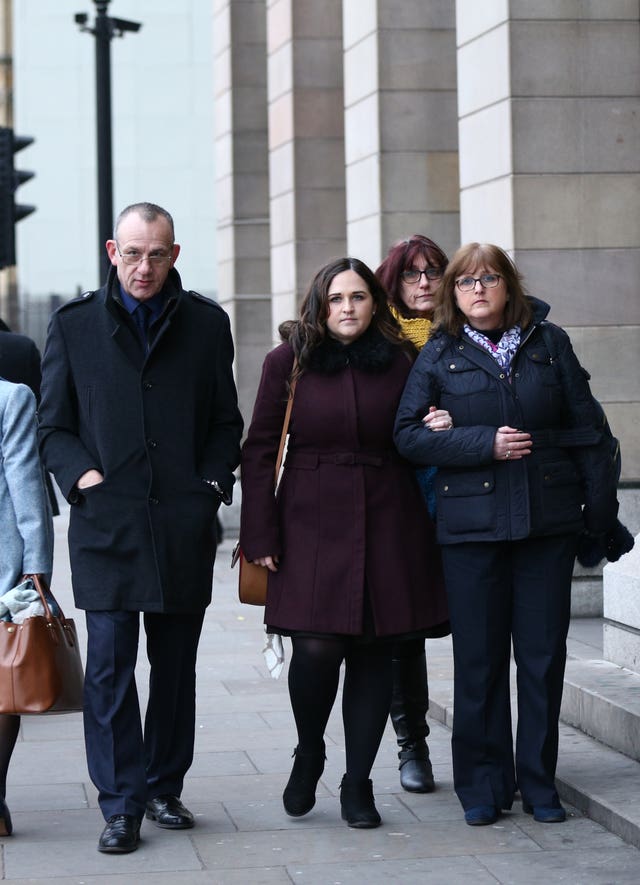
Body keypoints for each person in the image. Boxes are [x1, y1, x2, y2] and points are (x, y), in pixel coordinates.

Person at [394, 243, 629, 827]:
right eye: (465, 281)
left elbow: (591, 432)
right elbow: (407, 437)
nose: (477, 290)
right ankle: (482, 785)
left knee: (543, 661)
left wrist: (597, 517)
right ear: (453, 293)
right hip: (470, 532)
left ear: (509, 286)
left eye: (488, 278)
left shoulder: (550, 345)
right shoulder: (440, 354)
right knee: (479, 663)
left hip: (545, 527)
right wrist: (479, 443)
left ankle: (539, 784)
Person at [38, 202, 243, 854]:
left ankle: (162, 785)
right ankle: (121, 803)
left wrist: (210, 487)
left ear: (174, 254)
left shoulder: (208, 325)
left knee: (175, 664)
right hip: (106, 526)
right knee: (108, 667)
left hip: (182, 525)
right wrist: (83, 480)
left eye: (156, 253)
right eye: (132, 253)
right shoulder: (73, 326)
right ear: (111, 251)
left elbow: (223, 423)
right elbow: (53, 427)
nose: (143, 266)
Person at [239, 257, 448, 829]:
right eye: (336, 299)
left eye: (358, 297)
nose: (348, 308)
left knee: (374, 654)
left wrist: (439, 424)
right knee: (315, 649)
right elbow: (258, 448)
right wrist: (259, 531)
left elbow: (419, 426)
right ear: (319, 305)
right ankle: (310, 751)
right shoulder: (289, 360)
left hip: (389, 513)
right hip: (309, 515)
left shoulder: (403, 359)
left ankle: (359, 782)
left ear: (374, 304)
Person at [376, 234, 449, 794]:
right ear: (393, 282)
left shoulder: (468, 335)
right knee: (403, 634)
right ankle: (412, 746)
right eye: (411, 273)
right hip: (400, 502)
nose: (424, 282)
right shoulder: (381, 343)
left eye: (433, 271)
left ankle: (481, 747)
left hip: (462, 498)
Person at [0, 378, 54, 837]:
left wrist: (34, 571)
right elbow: (25, 485)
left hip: (2, 570)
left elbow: (26, 485)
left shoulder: (10, 398)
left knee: (4, 682)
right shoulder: (9, 397)